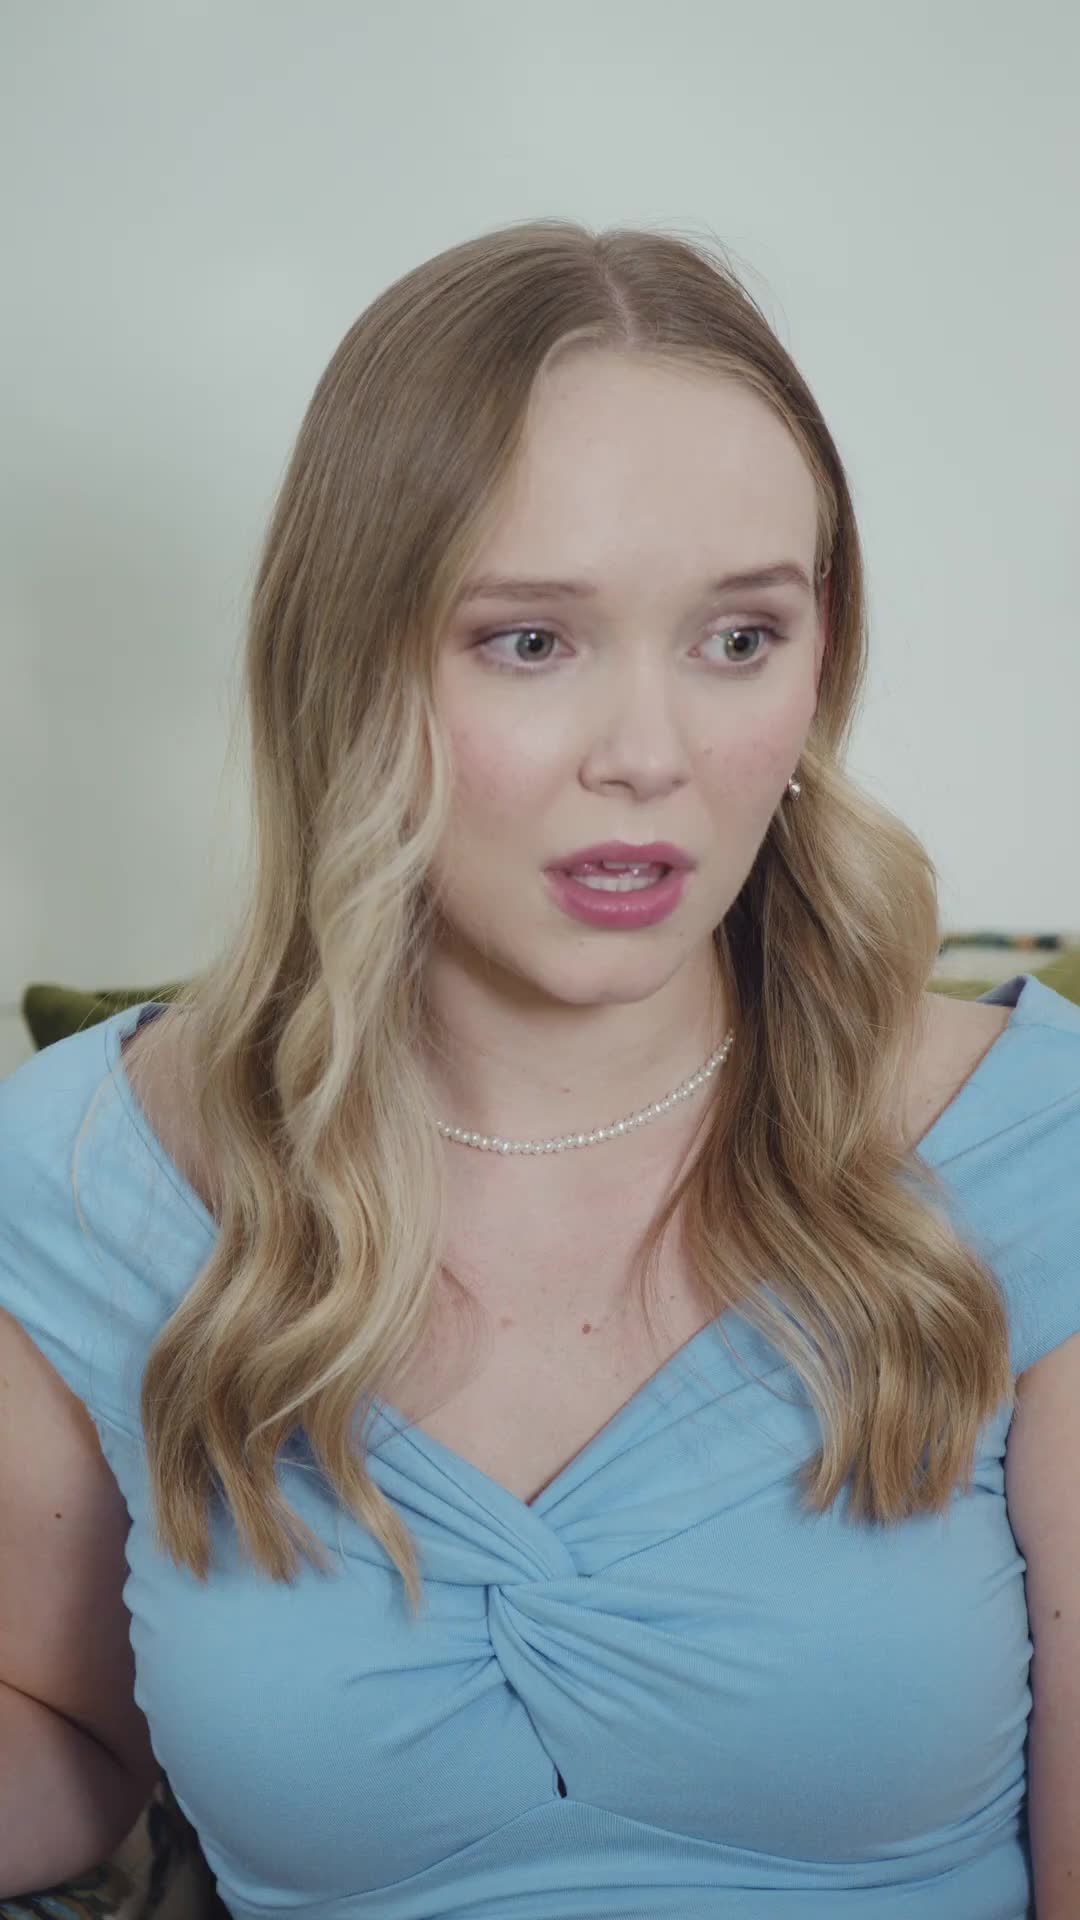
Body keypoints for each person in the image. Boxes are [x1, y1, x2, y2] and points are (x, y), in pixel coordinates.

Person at [2, 219, 1078, 1918]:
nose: (650, 756)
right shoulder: (81, 1175)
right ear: (346, 666)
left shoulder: (1038, 1144)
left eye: (740, 638)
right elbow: (64, 1736)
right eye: (530, 642)